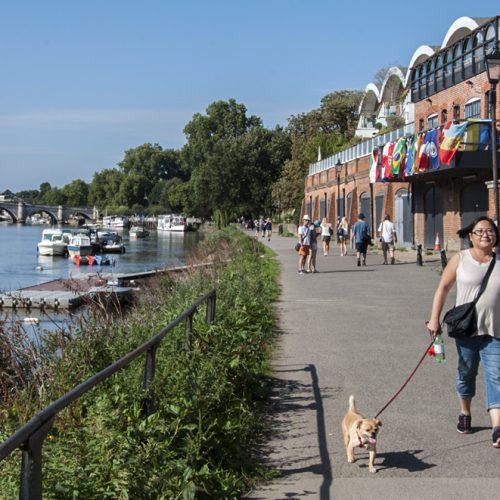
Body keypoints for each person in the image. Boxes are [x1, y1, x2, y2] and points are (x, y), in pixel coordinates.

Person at [426, 216, 500, 448]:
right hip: (466, 331)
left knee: (496, 376)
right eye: (480, 231)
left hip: (495, 331)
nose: (486, 234)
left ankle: (497, 428)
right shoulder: (461, 259)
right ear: (471, 236)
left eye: (490, 231)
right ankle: (465, 413)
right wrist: (434, 319)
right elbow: (443, 288)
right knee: (466, 374)